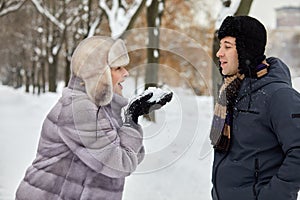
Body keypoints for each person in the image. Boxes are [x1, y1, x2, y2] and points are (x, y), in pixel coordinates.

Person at [15, 36, 172, 200]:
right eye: (118, 68)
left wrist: (131, 118)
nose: (126, 73)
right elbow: (121, 164)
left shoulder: (103, 109)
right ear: (98, 73)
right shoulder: (79, 109)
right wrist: (131, 120)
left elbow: (133, 155)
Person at [210, 16, 300, 200]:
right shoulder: (231, 93)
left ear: (246, 50)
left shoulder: (278, 96)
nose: (219, 53)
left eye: (227, 47)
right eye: (221, 46)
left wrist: (273, 195)